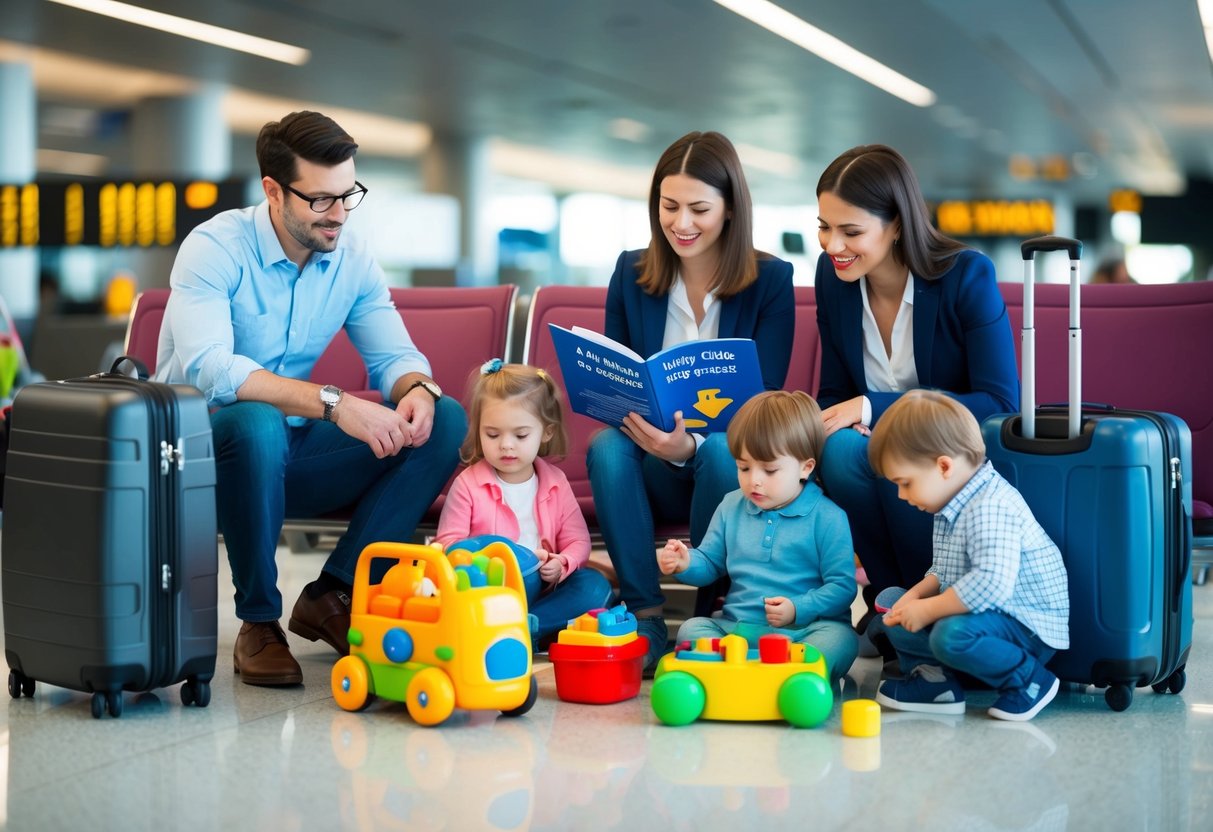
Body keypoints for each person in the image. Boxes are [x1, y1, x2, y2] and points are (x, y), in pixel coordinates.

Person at [155, 111, 466, 686]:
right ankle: (258, 621)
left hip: (289, 456)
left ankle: (333, 592)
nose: (340, 214)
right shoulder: (214, 248)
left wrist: (415, 389)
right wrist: (336, 403)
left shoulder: (349, 257)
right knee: (255, 423)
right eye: (321, 200)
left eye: (348, 195)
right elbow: (212, 370)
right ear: (273, 191)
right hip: (204, 455)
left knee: (444, 419)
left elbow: (394, 354)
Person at [586, 130, 796, 674]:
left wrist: (691, 444)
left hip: (728, 467)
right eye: (669, 206)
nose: (682, 223)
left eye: (699, 208)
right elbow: (619, 382)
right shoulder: (632, 274)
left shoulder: (770, 281)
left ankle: (712, 619)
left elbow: (764, 404)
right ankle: (646, 615)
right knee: (607, 446)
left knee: (726, 448)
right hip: (648, 463)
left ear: (730, 210)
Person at [812, 144, 1019, 642]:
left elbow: (999, 404)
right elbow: (835, 392)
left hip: (952, 459)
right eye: (823, 225)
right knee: (838, 448)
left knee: (891, 451)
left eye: (851, 231)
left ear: (898, 224)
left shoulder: (965, 275)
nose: (831, 244)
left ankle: (919, 608)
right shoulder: (834, 280)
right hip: (868, 454)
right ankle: (888, 601)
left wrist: (877, 410)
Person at [868, 390, 1068, 721]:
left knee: (951, 634)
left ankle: (1029, 680)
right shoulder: (949, 504)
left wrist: (928, 610)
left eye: (905, 483)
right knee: (892, 599)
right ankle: (936, 684)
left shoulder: (989, 506)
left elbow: (990, 585)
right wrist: (915, 598)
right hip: (983, 613)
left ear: (943, 466)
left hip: (1025, 626)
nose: (901, 495)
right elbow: (943, 570)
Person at [657, 391, 858, 682]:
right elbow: (711, 563)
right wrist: (686, 562)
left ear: (806, 467)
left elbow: (842, 588)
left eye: (770, 469)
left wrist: (797, 609)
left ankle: (768, 676)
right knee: (692, 629)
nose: (754, 480)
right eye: (743, 467)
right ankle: (768, 676)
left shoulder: (829, 517)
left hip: (802, 635)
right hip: (739, 632)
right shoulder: (730, 505)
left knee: (840, 639)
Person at [435, 359, 613, 641]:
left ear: (547, 432)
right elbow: (447, 546)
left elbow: (579, 541)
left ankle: (524, 627)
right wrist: (497, 556)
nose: (506, 444)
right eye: (492, 434)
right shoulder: (468, 484)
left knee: (595, 586)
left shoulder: (556, 482)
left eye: (520, 435)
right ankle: (522, 626)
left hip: (544, 589)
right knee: (512, 555)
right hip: (489, 588)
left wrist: (562, 563)